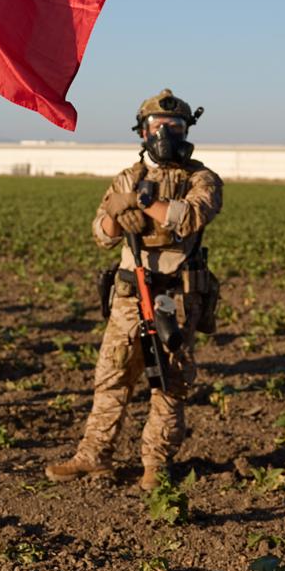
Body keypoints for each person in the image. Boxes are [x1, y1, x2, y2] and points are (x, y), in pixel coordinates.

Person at [47, 91, 222, 490]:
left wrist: (143, 205)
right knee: (112, 375)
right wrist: (114, 212)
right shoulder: (127, 177)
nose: (165, 135)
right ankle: (94, 455)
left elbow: (188, 218)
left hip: (176, 296)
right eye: (157, 128)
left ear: (186, 131)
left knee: (170, 381)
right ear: (142, 132)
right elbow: (102, 236)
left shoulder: (202, 178)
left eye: (174, 128)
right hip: (130, 292)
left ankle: (156, 465)